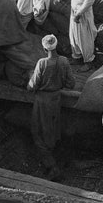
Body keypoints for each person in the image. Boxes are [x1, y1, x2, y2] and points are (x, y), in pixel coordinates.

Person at [27, 34, 76, 180]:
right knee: (54, 130)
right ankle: (61, 160)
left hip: (43, 101)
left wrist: (29, 80)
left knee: (38, 132)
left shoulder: (42, 63)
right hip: (56, 99)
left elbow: (32, 86)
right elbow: (71, 83)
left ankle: (52, 166)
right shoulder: (64, 61)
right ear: (56, 46)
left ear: (44, 48)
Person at [55, 0, 97, 72]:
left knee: (84, 38)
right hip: (75, 11)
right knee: (74, 36)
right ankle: (77, 57)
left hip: (82, 13)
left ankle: (89, 61)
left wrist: (79, 13)